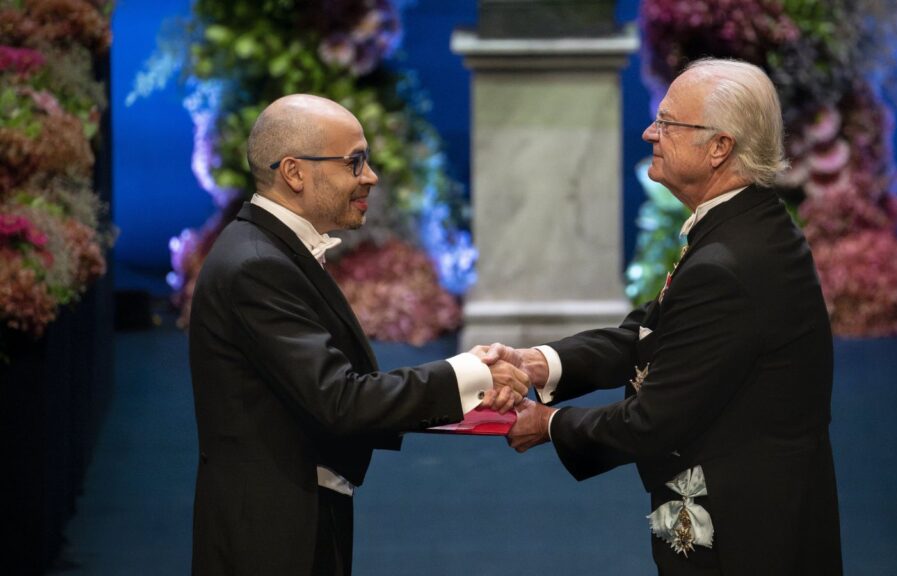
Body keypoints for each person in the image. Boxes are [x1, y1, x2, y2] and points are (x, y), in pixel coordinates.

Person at [487, 58, 843, 575]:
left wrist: (549, 424)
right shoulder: (747, 224)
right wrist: (539, 363)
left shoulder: (730, 263)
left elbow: (653, 421)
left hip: (744, 536)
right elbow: (650, 333)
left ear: (720, 146)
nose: (650, 132)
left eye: (669, 124)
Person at [188, 94, 528, 576]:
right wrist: (470, 374)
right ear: (294, 172)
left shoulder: (268, 250)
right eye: (354, 162)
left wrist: (467, 381)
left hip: (296, 515)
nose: (370, 177)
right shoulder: (258, 265)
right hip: (269, 540)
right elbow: (339, 401)